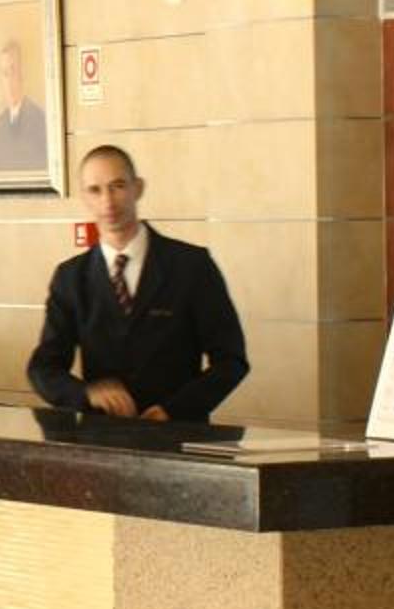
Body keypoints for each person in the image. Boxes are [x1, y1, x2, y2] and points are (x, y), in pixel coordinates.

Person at [27, 143, 248, 423]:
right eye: (95, 190)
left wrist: (175, 410)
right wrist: (86, 394)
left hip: (179, 434)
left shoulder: (192, 265)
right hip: (102, 436)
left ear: (138, 188)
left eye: (118, 186)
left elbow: (231, 361)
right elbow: (43, 369)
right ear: (84, 198)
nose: (108, 201)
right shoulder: (70, 277)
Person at [0, 37, 50, 175]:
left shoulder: (39, 120)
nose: (9, 80)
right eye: (5, 73)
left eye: (13, 71)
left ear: (22, 73)